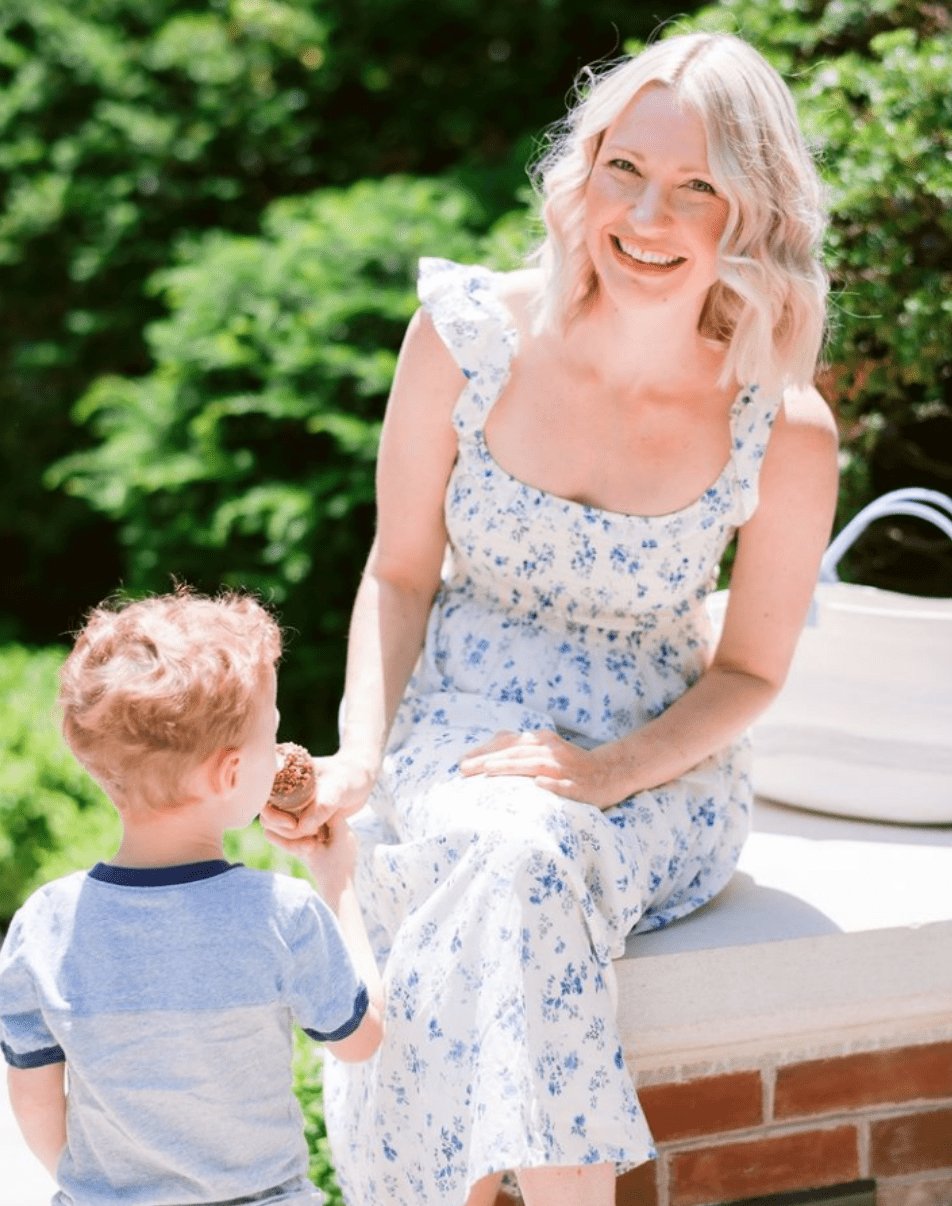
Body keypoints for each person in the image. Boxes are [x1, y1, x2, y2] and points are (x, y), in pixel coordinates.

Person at [262, 29, 839, 1206]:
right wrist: (362, 759)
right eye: (624, 169)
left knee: (526, 849)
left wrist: (610, 770)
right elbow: (402, 570)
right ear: (584, 172)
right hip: (458, 728)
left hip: (656, 768)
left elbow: (750, 673)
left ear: (755, 213)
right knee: (507, 853)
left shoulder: (782, 425)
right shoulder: (466, 337)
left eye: (697, 188)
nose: (646, 214)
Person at [0, 588, 385, 1206]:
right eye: (272, 736)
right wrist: (336, 880)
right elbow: (363, 1037)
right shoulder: (281, 914)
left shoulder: (45, 923)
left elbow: (34, 1097)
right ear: (233, 775)